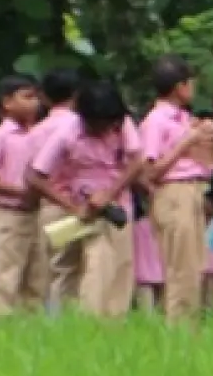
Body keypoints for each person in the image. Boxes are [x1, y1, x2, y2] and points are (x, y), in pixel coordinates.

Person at [27, 79, 142, 319]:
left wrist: (109, 194)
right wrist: (72, 206)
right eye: (97, 125)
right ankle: (68, 322)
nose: (103, 130)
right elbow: (35, 176)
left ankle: (109, 323)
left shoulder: (122, 124)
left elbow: (136, 162)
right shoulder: (68, 132)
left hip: (115, 208)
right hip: (77, 209)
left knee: (115, 266)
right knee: (67, 269)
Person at [138, 56, 213, 322]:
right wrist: (185, 144)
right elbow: (151, 171)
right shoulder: (156, 120)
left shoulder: (184, 119)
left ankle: (191, 326)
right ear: (180, 86)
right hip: (173, 191)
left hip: (193, 189)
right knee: (180, 267)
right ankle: (178, 328)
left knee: (195, 265)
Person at [0, 75, 45, 313]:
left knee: (38, 276)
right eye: (26, 97)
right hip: (9, 213)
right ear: (7, 102)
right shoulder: (0, 135)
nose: (34, 103)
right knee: (6, 276)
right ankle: (3, 324)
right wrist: (19, 191)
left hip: (36, 213)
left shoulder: (39, 134)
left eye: (35, 97)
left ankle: (33, 328)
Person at [28, 68, 86, 306]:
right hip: (78, 205)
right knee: (75, 269)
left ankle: (52, 320)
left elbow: (30, 174)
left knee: (50, 270)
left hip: (47, 205)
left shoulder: (36, 130)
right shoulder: (80, 125)